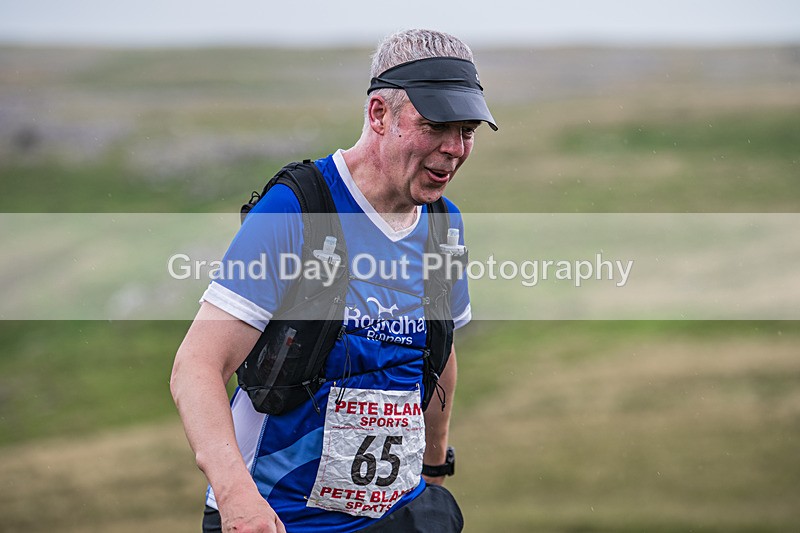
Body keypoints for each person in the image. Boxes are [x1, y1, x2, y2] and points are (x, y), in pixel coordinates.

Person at [170, 28, 497, 533]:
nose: (454, 148)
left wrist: (434, 471)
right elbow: (195, 367)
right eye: (436, 125)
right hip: (277, 521)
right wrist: (237, 498)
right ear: (379, 114)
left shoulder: (442, 224)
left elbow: (439, 352)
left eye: (468, 130)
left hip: (397, 517)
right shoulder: (298, 207)